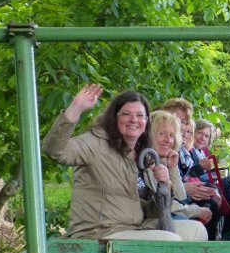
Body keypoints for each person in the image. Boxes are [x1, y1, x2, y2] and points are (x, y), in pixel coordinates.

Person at [42, 84, 180, 240]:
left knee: (196, 230)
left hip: (134, 228)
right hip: (98, 233)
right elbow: (54, 150)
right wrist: (75, 108)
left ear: (147, 121)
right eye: (126, 114)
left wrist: (164, 186)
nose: (134, 120)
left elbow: (151, 212)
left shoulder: (141, 153)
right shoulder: (95, 142)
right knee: (171, 241)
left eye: (140, 115)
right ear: (115, 117)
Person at [149, 110, 209, 241]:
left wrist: (173, 167)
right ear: (150, 135)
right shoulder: (147, 162)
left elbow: (181, 196)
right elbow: (164, 205)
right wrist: (196, 210)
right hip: (149, 221)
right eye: (162, 134)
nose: (168, 140)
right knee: (190, 223)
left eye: (171, 135)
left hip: (160, 216)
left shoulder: (163, 160)